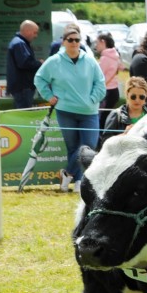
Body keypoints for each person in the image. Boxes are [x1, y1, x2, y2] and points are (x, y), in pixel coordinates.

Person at [34, 23, 106, 192]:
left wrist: (92, 99)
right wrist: (48, 96)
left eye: (77, 40)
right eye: (70, 40)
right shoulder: (54, 61)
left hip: (89, 112)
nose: (74, 43)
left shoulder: (90, 60)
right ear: (64, 42)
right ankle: (78, 181)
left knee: (88, 147)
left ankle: (69, 174)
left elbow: (100, 84)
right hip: (66, 111)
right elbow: (39, 78)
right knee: (73, 148)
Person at [99, 76, 147, 148]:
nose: (137, 100)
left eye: (141, 97)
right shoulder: (116, 114)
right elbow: (105, 142)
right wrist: (124, 135)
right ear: (127, 95)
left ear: (146, 96)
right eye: (133, 97)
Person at [6, 20, 42, 109]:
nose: (36, 36)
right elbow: (24, 63)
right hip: (23, 87)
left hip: (21, 87)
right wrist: (39, 63)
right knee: (24, 113)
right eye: (35, 32)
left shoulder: (18, 42)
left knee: (22, 112)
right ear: (27, 31)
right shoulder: (19, 43)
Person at [95, 32, 123, 125]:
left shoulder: (105, 58)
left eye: (97, 43)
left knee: (101, 120)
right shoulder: (115, 56)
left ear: (103, 42)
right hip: (114, 90)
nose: (96, 46)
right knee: (107, 119)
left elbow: (98, 76)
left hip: (107, 92)